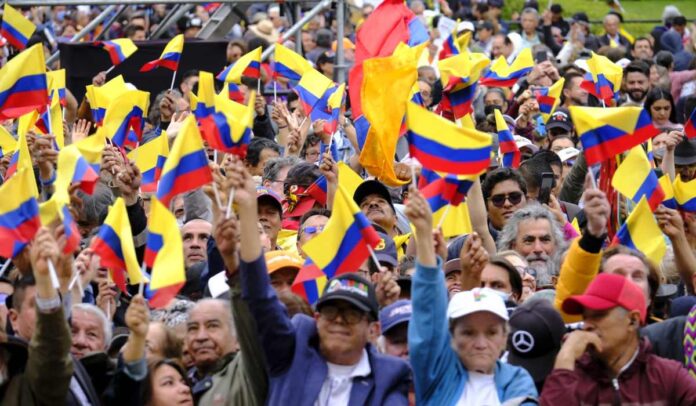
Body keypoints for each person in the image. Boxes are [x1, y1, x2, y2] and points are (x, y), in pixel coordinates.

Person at [229, 158, 410, 404]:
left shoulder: (388, 378)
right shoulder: (292, 356)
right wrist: (248, 211)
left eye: (352, 313)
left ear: (374, 328)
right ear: (316, 318)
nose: (338, 319)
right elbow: (259, 298)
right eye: (331, 310)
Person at [407, 184, 537, 404]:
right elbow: (427, 319)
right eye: (468, 333)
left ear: (505, 337)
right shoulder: (436, 376)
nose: (480, 343)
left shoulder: (517, 381)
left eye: (491, 332)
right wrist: (424, 238)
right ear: (451, 337)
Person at [541, 273, 696, 404]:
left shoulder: (667, 376)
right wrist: (565, 358)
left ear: (633, 320)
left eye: (599, 315)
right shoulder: (572, 376)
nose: (587, 326)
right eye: (586, 317)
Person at [497, 203, 566, 288]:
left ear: (556, 244)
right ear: (512, 246)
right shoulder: (498, 288)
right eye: (529, 241)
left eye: (545, 240)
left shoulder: (569, 285)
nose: (538, 249)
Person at [481, 167, 529, 241]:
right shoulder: (474, 245)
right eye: (498, 199)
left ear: (527, 200)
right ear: (486, 207)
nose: (507, 204)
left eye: (515, 197)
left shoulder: (544, 234)